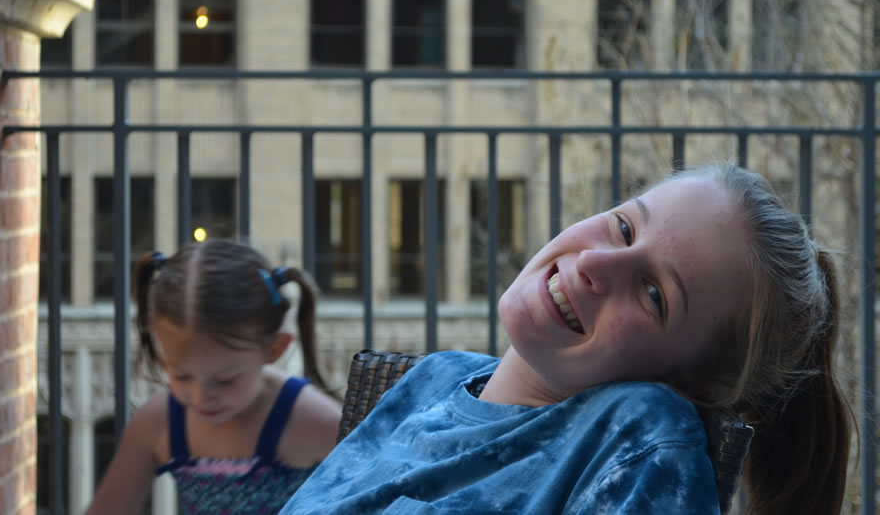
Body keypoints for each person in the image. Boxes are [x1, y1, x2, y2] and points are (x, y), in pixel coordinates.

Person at [279, 163, 852, 515]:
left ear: (686, 381)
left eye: (654, 294)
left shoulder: (642, 438)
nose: (595, 263)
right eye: (624, 226)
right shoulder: (434, 377)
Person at [85, 239, 343, 515]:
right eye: (182, 375)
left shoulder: (318, 422)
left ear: (274, 349)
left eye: (225, 380)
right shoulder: (157, 421)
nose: (200, 397)